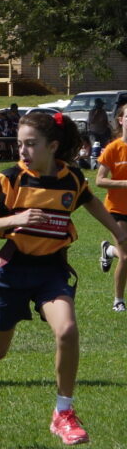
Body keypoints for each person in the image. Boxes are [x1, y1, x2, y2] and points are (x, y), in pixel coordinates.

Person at [0, 111, 127, 445]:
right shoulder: (9, 179)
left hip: (51, 270)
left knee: (68, 330)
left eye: (31, 144)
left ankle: (63, 413)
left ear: (53, 146)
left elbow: (90, 201)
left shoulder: (70, 178)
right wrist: (15, 218)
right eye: (20, 144)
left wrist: (118, 232)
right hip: (11, 271)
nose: (23, 151)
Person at [95, 103, 127, 311]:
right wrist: (124, 183)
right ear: (121, 120)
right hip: (117, 209)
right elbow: (99, 180)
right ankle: (118, 301)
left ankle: (108, 250)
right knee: (126, 257)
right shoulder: (113, 148)